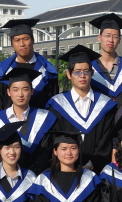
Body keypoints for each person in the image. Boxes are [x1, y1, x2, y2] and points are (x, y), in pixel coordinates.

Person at [47, 45, 117, 173]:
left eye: (86, 71)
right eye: (77, 72)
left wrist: (91, 165)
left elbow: (106, 140)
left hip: (97, 172)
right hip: (64, 171)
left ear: (92, 73)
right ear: (68, 74)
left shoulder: (106, 105)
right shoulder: (57, 105)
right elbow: (54, 140)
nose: (82, 75)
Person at [0, 68, 56, 174]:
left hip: (34, 179)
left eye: (25, 89)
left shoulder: (44, 118)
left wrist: (28, 178)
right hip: (3, 179)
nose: (20, 94)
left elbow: (44, 156)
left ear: (32, 91)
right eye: (15, 90)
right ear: (8, 92)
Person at [0, 19, 59, 112]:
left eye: (26, 39)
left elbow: (53, 106)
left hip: (42, 120)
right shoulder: (2, 71)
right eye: (17, 40)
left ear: (33, 40)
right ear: (12, 43)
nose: (22, 44)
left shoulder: (47, 71)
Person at [89, 13, 122, 108]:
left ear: (119, 40)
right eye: (107, 36)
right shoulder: (88, 69)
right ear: (99, 37)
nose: (111, 40)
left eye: (115, 36)